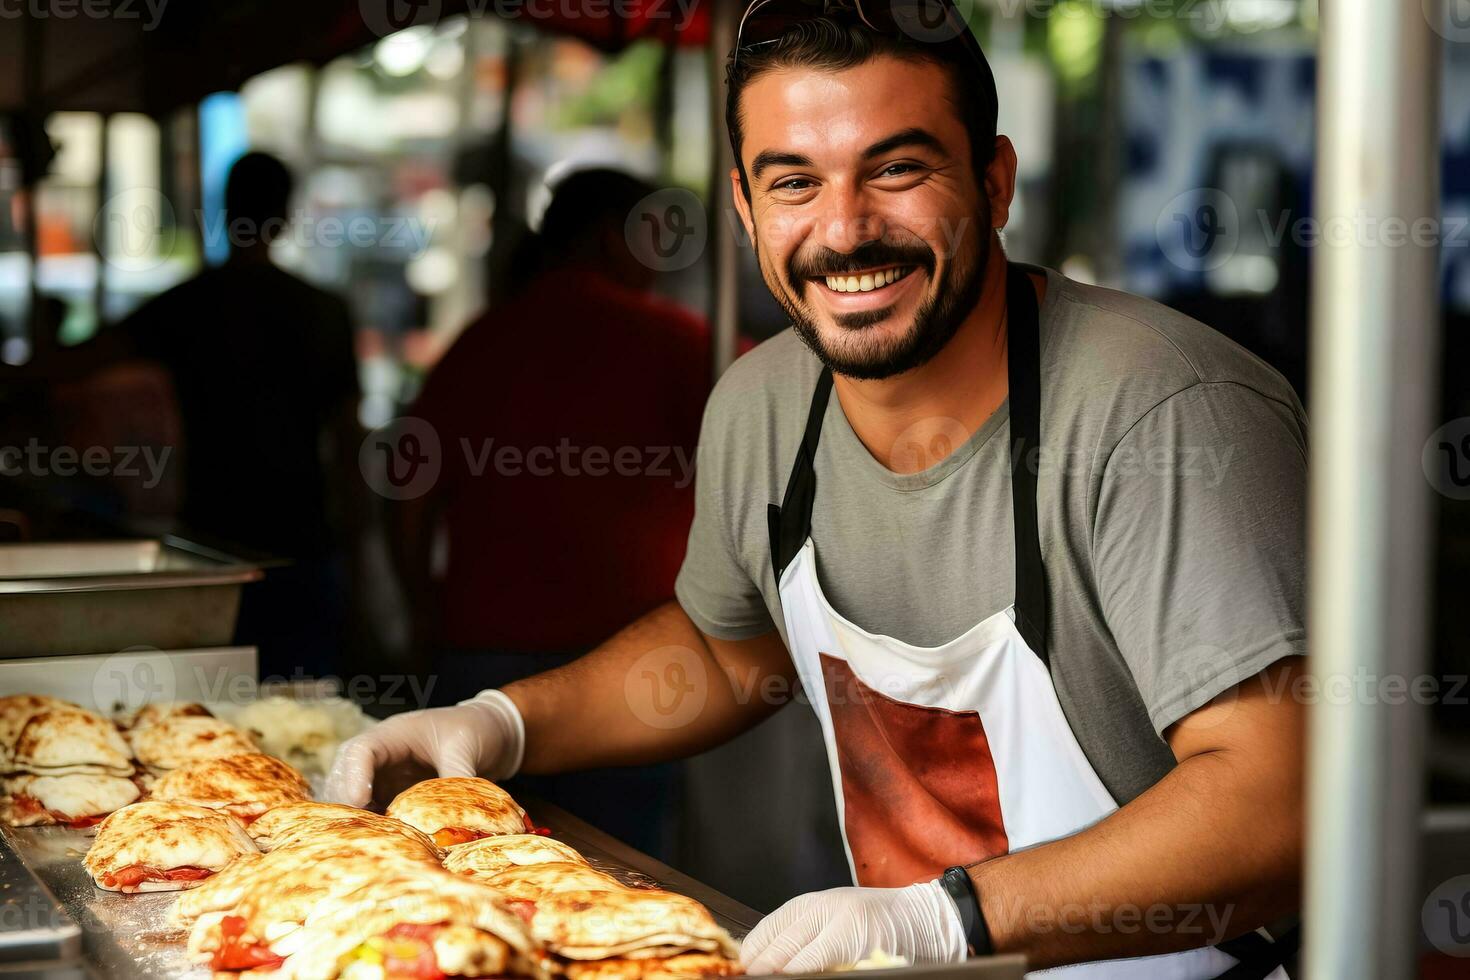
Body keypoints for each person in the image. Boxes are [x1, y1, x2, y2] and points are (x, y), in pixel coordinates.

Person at [328, 5, 1304, 976]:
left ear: (994, 181)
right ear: (747, 212)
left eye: (898, 168)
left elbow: (1281, 800)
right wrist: (502, 722)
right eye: (795, 181)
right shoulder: (764, 405)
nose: (845, 230)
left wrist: (941, 918)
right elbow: (725, 652)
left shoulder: (1161, 413)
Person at [391, 168, 710, 859]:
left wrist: (420, 609)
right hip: (632, 663)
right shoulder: (680, 343)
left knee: (465, 862)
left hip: (481, 654)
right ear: (609, 238)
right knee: (616, 882)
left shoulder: (482, 340)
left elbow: (408, 497)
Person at [37, 152, 362, 677]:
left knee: (214, 703)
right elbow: (351, 442)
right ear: (284, 216)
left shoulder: (190, 305)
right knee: (308, 715)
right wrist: (361, 561)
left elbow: (74, 364)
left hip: (215, 541)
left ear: (223, 211)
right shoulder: (322, 311)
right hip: (301, 536)